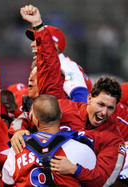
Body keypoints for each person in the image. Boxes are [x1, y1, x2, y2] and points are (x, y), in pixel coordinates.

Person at [9, 5, 125, 187]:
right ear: (89, 98)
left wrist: (75, 170)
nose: (104, 112)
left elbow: (105, 180)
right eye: (101, 104)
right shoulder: (64, 107)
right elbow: (48, 73)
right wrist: (17, 131)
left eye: (110, 107)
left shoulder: (113, 139)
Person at [2, 94, 96, 186]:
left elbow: (7, 181)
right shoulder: (81, 148)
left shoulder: (17, 147)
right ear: (60, 115)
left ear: (35, 120)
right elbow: (96, 181)